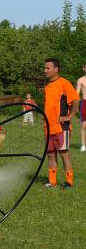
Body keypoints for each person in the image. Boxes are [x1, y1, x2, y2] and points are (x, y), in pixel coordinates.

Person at [42, 58, 79, 189]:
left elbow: (75, 100)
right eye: (45, 68)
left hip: (61, 127)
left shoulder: (64, 83)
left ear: (56, 69)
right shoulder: (46, 86)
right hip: (48, 127)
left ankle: (69, 182)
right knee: (51, 154)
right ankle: (52, 182)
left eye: (48, 68)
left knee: (64, 154)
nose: (45, 70)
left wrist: (69, 116)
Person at [75, 64, 86, 151]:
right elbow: (76, 94)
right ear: (84, 69)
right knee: (83, 125)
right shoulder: (80, 80)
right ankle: (83, 145)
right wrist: (75, 106)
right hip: (84, 103)